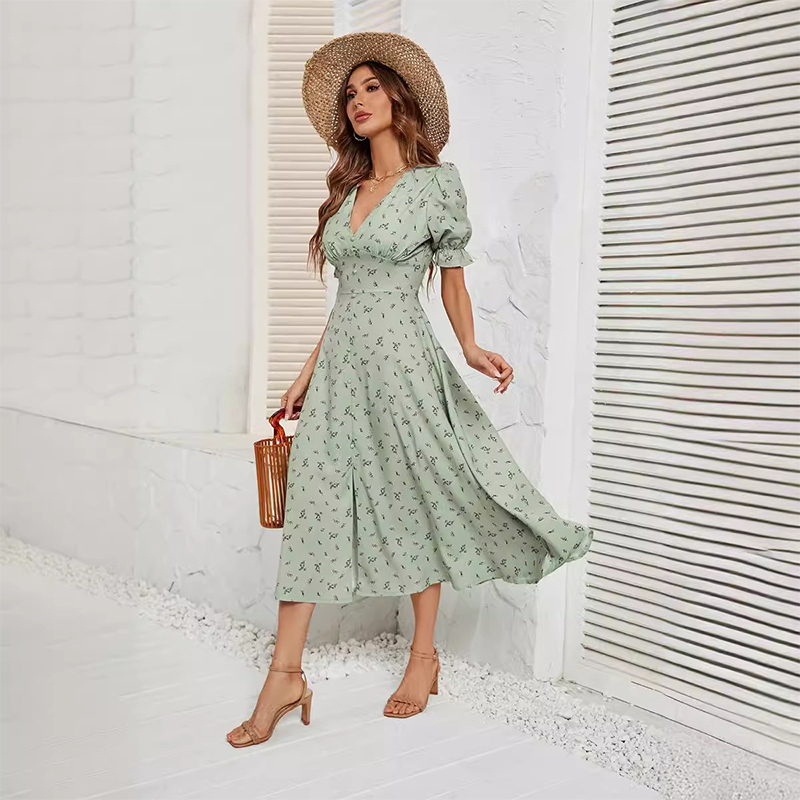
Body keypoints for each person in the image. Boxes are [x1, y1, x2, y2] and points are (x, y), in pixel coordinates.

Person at [227, 31, 594, 748]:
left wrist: (471, 347)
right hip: (342, 372)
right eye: (349, 93)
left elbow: (452, 282)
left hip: (404, 364)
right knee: (313, 508)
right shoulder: (347, 192)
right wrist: (304, 376)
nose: (357, 101)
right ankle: (284, 675)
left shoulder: (435, 186)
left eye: (370, 88)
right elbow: (347, 300)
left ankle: (423, 658)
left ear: (399, 100)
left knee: (419, 493)